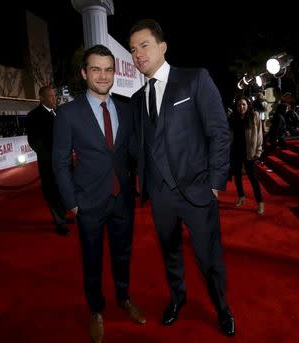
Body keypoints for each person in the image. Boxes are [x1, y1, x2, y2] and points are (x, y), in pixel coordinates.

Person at [129, 19, 235, 336]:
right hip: (159, 194)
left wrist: (216, 184)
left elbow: (219, 133)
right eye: (133, 50)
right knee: (169, 253)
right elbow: (139, 147)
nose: (137, 54)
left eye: (143, 45)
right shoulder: (136, 99)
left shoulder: (195, 80)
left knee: (208, 258)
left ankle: (222, 306)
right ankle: (178, 298)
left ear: (162, 47)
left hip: (198, 191)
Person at [52, 45, 145, 343]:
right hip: (88, 203)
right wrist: (73, 204)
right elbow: (60, 163)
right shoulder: (68, 114)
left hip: (123, 199)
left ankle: (124, 297)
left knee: (123, 255)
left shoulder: (127, 109)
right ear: (84, 73)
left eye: (108, 69)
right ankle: (95, 310)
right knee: (91, 260)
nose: (103, 75)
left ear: (114, 72)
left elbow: (131, 152)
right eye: (96, 69)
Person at [26, 86, 70, 236]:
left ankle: (63, 215)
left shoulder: (57, 113)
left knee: (64, 189)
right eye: (50, 96)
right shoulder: (34, 116)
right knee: (52, 192)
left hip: (64, 161)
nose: (54, 98)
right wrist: (52, 154)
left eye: (54, 96)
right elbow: (34, 141)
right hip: (49, 163)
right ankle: (60, 222)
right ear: (42, 98)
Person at [229, 97, 265, 214]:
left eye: (243, 104)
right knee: (238, 176)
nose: (241, 107)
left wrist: (259, 150)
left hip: (249, 152)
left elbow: (259, 134)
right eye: (239, 105)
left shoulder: (254, 116)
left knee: (253, 178)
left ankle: (260, 203)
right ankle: (241, 197)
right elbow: (230, 136)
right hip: (235, 151)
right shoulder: (233, 118)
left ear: (248, 105)